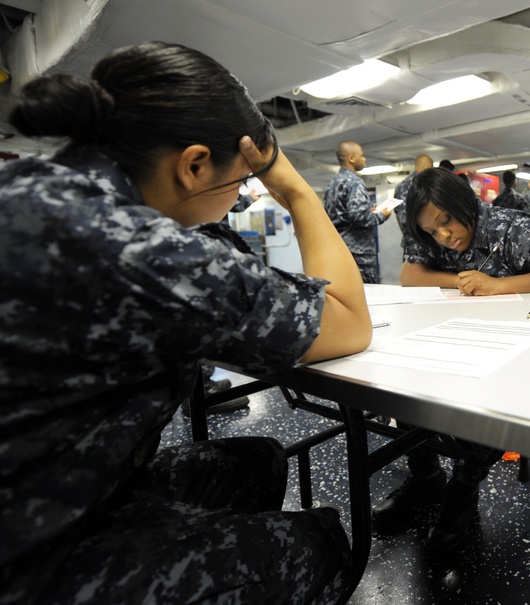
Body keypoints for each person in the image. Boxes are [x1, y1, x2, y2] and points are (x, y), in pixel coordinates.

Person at [0, 41, 374, 605]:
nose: (243, 192)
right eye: (241, 178)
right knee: (313, 544)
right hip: (29, 561)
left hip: (43, 490)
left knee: (254, 465)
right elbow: (348, 323)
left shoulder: (37, 191)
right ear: (195, 164)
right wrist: (294, 190)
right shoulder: (142, 250)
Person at [371, 168, 530, 551]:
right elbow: (410, 274)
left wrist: (501, 286)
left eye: (446, 221)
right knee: (409, 386)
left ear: (463, 202)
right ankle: (425, 476)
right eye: (433, 232)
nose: (444, 237)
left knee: (484, 412)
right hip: (453, 341)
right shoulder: (433, 232)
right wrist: (462, 279)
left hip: (512, 350)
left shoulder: (511, 225)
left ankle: (463, 488)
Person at [322, 140, 392, 283]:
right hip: (359, 254)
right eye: (362, 155)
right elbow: (358, 217)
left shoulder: (332, 184)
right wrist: (382, 215)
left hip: (339, 249)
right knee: (367, 296)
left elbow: (337, 215)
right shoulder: (355, 182)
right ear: (351, 158)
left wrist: (368, 211)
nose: (364, 159)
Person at [393, 153, 434, 249]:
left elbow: (398, 215)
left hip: (409, 244)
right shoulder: (429, 183)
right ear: (429, 166)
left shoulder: (400, 186)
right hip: (429, 243)